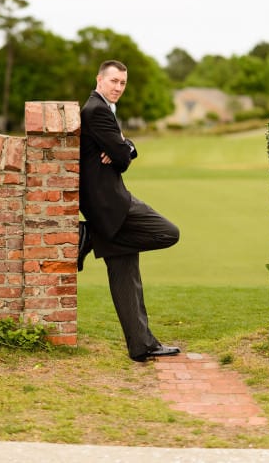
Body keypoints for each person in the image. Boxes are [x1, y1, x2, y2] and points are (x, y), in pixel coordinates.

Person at [77, 60, 181, 363]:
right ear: (99, 79)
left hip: (104, 209)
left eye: (123, 83)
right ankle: (92, 237)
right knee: (168, 232)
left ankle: (141, 346)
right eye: (113, 81)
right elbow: (122, 158)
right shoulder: (96, 110)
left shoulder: (102, 109)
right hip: (112, 205)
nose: (118, 88)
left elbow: (123, 150)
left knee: (126, 280)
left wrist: (126, 146)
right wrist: (125, 149)